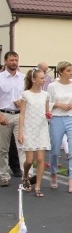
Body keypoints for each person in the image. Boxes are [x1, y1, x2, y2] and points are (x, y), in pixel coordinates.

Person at [47, 62, 72, 193]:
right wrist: (58, 105)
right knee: (55, 150)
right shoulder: (52, 86)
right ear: (61, 71)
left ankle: (71, 179)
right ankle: (53, 173)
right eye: (68, 70)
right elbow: (48, 102)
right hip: (57, 118)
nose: (70, 73)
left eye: (71, 70)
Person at [17, 68, 50, 197]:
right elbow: (22, 114)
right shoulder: (26, 94)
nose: (44, 80)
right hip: (29, 128)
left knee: (41, 159)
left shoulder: (46, 95)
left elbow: (47, 112)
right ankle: (25, 176)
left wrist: (49, 115)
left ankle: (38, 187)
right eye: (42, 78)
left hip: (41, 128)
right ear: (33, 79)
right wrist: (20, 132)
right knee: (29, 160)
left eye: (44, 78)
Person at [0, 51, 25, 187]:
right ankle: (4, 175)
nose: (14, 63)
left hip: (19, 114)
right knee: (3, 148)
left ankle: (26, 175)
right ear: (5, 61)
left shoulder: (23, 78)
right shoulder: (0, 78)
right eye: (11, 60)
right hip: (4, 114)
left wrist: (23, 103)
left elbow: (29, 96)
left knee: (22, 146)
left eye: (16, 60)